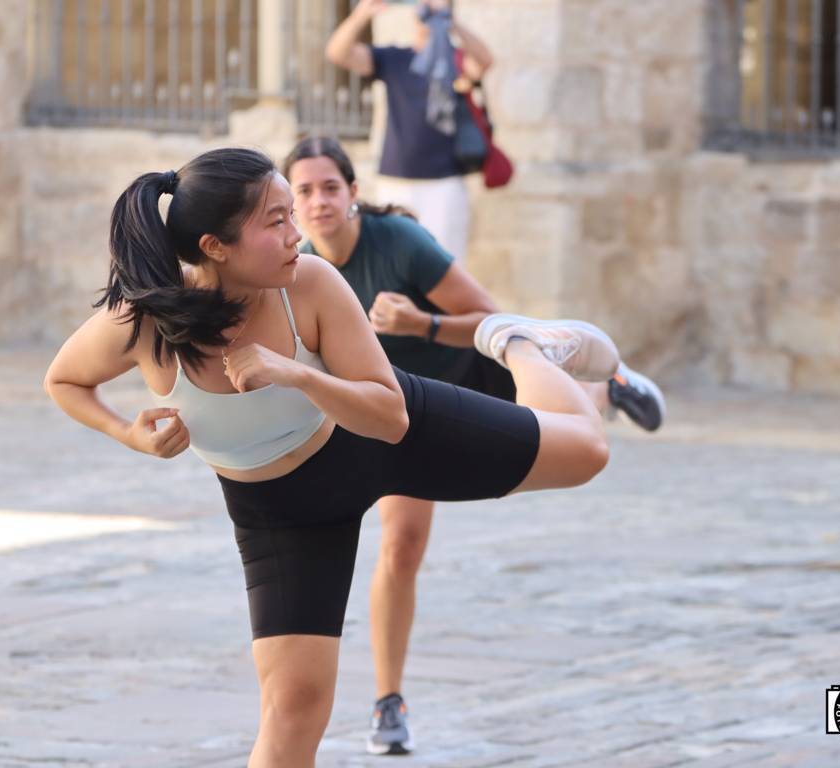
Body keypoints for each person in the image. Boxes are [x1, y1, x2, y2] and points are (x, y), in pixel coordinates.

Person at [45, 146, 622, 768]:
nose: (297, 234)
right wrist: (130, 435)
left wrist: (297, 373)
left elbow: (391, 417)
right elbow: (64, 380)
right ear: (216, 247)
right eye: (276, 221)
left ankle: (523, 344)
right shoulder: (144, 322)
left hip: (376, 435)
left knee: (587, 452)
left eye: (292, 215)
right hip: (280, 514)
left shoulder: (311, 283)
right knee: (293, 709)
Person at [283, 135, 666, 755]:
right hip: (403, 413)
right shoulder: (296, 271)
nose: (319, 201)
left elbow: (489, 317)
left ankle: (610, 382)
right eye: (304, 191)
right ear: (291, 205)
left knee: (571, 427)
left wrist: (422, 323)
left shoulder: (399, 242)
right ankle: (388, 702)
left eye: (330, 187)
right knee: (402, 547)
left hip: (473, 375)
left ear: (353, 191)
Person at [326, 0, 492, 262]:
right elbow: (338, 53)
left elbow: (485, 61)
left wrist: (451, 23)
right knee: (394, 262)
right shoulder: (395, 58)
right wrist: (362, 14)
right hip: (396, 181)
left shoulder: (456, 60)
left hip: (445, 183)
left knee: (446, 262)